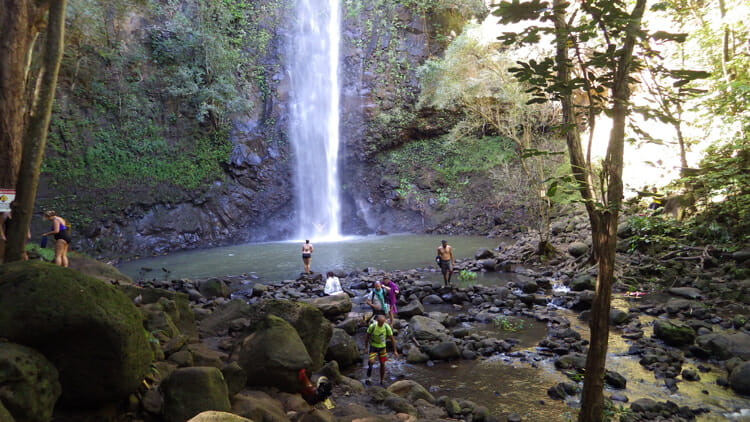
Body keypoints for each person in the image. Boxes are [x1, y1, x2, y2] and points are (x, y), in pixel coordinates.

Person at [364, 314, 399, 385]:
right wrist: (366, 348)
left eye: (383, 322)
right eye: (380, 322)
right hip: (373, 346)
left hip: (382, 347)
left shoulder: (387, 327)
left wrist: (395, 351)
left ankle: (382, 380)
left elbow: (392, 339)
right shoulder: (372, 326)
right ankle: (369, 376)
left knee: (382, 364)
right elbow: (367, 337)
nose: (382, 324)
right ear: (377, 321)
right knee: (371, 362)